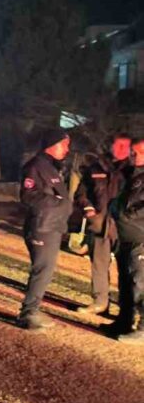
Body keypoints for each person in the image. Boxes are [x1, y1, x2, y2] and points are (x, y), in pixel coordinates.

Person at [16, 128, 73, 331]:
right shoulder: (36, 166)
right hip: (42, 226)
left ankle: (33, 309)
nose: (68, 149)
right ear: (53, 144)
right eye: (65, 144)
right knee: (41, 270)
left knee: (45, 271)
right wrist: (58, 203)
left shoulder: (51, 167)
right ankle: (28, 314)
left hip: (52, 225)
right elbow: (28, 195)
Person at [74, 133, 131, 315]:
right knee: (98, 265)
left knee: (127, 269)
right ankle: (100, 303)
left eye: (125, 146)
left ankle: (127, 309)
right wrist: (88, 208)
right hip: (99, 224)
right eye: (118, 145)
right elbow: (81, 193)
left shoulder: (133, 170)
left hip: (124, 228)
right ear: (111, 145)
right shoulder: (96, 168)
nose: (122, 149)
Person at [107, 138, 144, 343]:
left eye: (138, 153)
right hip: (125, 237)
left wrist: (127, 215)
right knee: (125, 282)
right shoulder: (131, 175)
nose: (133, 156)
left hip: (140, 237)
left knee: (140, 283)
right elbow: (118, 200)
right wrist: (116, 209)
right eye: (133, 152)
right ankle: (124, 321)